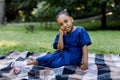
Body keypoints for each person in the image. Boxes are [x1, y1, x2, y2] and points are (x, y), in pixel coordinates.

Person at [11, 11, 92, 70]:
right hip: (62, 53)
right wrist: (61, 35)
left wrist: (85, 63)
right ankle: (26, 64)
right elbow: (60, 49)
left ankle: (35, 64)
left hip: (72, 57)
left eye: (66, 21)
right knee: (46, 57)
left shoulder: (80, 31)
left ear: (71, 19)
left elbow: (84, 47)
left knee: (53, 63)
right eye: (61, 24)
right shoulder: (60, 34)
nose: (64, 25)